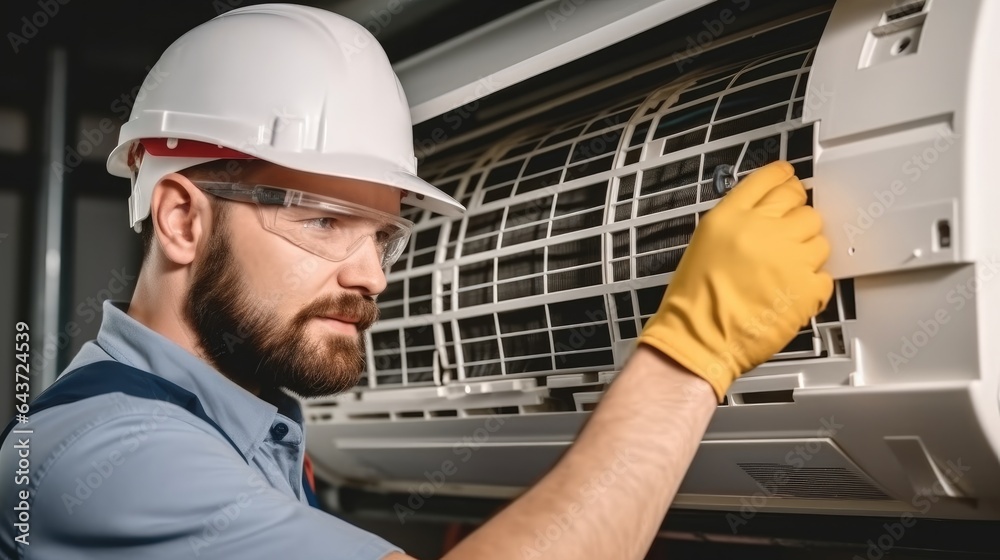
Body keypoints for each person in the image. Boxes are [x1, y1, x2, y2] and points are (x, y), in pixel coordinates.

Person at [0, 4, 832, 559]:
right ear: (183, 220)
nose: (369, 275)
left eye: (384, 235)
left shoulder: (248, 427)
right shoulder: (106, 456)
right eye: (323, 221)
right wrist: (691, 356)